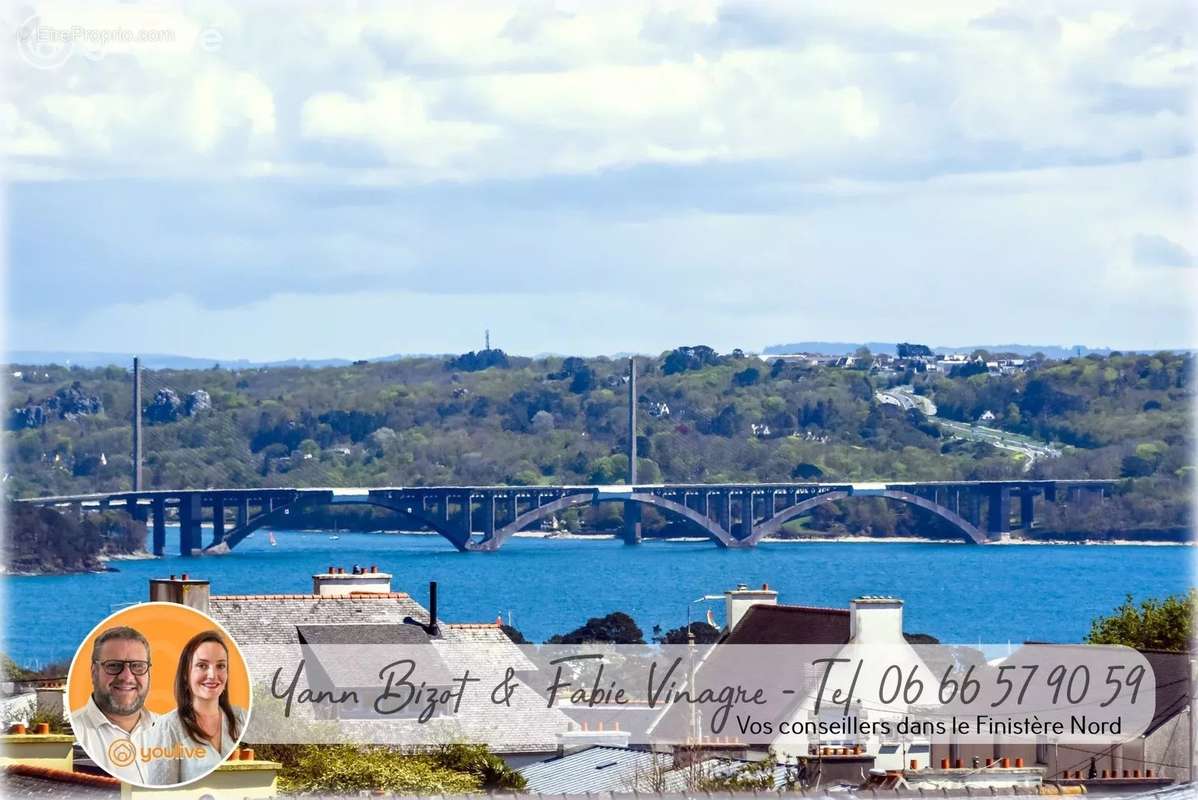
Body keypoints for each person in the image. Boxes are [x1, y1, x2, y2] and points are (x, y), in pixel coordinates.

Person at [146, 630, 247, 785]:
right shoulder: (168, 728)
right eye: (202, 665)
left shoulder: (242, 718)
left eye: (221, 666)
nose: (213, 674)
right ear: (186, 675)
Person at [70, 626, 159, 784]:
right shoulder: (73, 738)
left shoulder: (173, 731)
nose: (126, 676)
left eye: (137, 666)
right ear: (93, 672)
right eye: (113, 665)